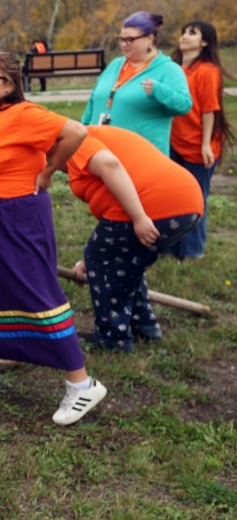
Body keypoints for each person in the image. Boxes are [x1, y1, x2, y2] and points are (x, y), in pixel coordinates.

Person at [0, 50, 107, 426]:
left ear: (10, 85)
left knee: (35, 291)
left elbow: (76, 132)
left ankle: (82, 384)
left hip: (13, 216)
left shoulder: (22, 116)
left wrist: (49, 170)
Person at [63, 125, 203, 351]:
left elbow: (111, 165)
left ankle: (113, 340)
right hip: (183, 203)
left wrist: (139, 218)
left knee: (103, 259)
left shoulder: (74, 140)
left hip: (157, 207)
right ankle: (145, 328)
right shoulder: (78, 144)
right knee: (127, 262)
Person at [167, 20, 234, 259]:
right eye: (183, 32)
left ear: (204, 41)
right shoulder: (174, 68)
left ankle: (193, 251)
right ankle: (172, 248)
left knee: (194, 198)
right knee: (173, 196)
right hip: (174, 141)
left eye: (192, 33)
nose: (184, 36)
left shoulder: (207, 70)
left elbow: (209, 109)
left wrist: (206, 143)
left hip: (199, 144)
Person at [82, 11, 192, 155]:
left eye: (130, 39)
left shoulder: (168, 69)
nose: (124, 45)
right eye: (121, 39)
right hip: (101, 154)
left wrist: (159, 92)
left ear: (149, 38)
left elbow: (184, 105)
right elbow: (93, 101)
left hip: (140, 156)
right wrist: (83, 134)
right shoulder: (115, 64)